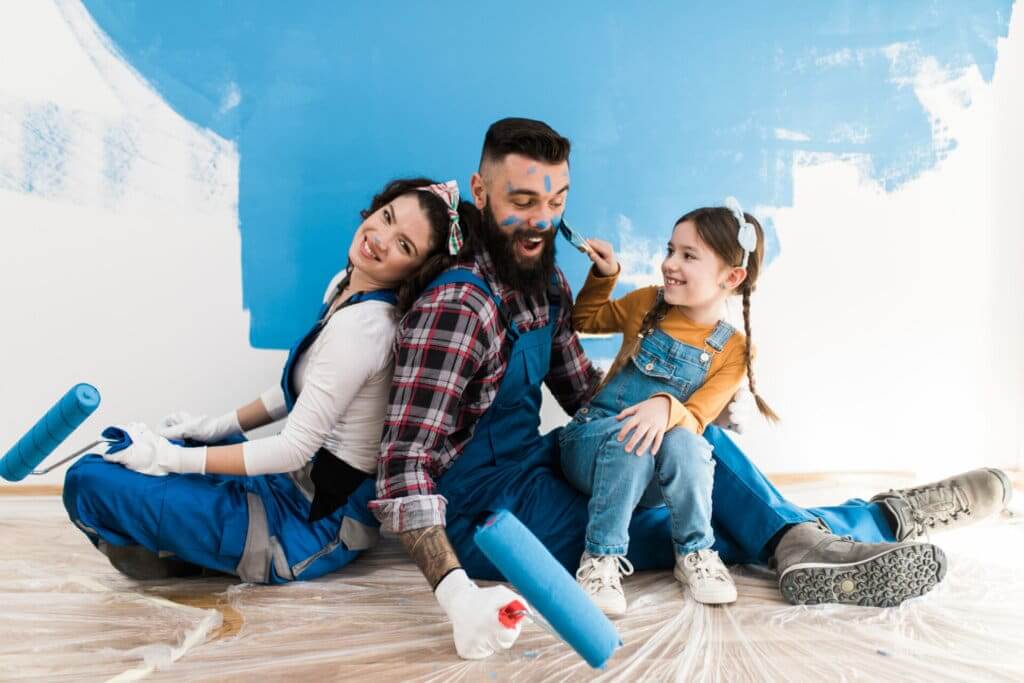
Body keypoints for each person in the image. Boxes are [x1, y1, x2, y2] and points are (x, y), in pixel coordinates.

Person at [372, 118, 1013, 659]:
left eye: (557, 201)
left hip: (538, 463)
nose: (542, 221)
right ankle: (874, 520)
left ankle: (810, 539)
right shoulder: (460, 305)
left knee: (685, 438)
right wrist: (456, 593)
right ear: (480, 191)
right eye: (522, 201)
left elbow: (579, 391)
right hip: (492, 516)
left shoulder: (546, 282)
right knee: (693, 524)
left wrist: (658, 402)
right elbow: (401, 468)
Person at [63, 177, 480, 584]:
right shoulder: (345, 284)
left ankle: (207, 555)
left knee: (88, 479)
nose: (381, 238)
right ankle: (187, 547)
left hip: (309, 526)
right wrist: (214, 427)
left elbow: (292, 449)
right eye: (387, 217)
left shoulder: (365, 328)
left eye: (404, 245)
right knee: (142, 450)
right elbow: (301, 389)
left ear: (418, 270)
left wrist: (169, 460)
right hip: (285, 485)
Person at [559, 199, 775, 613]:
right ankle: (601, 557)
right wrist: (606, 276)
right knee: (631, 439)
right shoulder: (647, 304)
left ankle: (695, 553)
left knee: (690, 443)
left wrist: (664, 405)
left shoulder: (733, 351)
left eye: (688, 256)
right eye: (670, 250)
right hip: (594, 442)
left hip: (653, 475)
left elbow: (696, 417)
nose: (670, 264)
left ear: (732, 276)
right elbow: (584, 320)